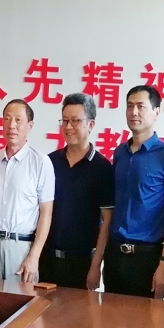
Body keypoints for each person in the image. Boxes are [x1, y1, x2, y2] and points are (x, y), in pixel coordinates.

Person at [104, 85, 164, 298]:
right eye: (130, 106)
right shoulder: (119, 152)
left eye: (141, 106)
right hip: (115, 254)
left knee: (145, 319)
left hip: (147, 258)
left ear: (156, 112)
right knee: (109, 316)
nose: (134, 112)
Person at [0, 99, 54, 282]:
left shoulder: (40, 162)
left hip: (22, 248)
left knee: (21, 300)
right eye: (7, 119)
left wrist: (34, 256)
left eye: (18, 120)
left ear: (30, 125)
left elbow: (46, 213)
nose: (11, 125)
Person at [40, 93, 114, 289]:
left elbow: (107, 221)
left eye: (75, 121)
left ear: (91, 124)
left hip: (81, 263)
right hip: (46, 260)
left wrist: (96, 266)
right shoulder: (49, 162)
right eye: (64, 121)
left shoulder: (102, 168)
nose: (68, 127)